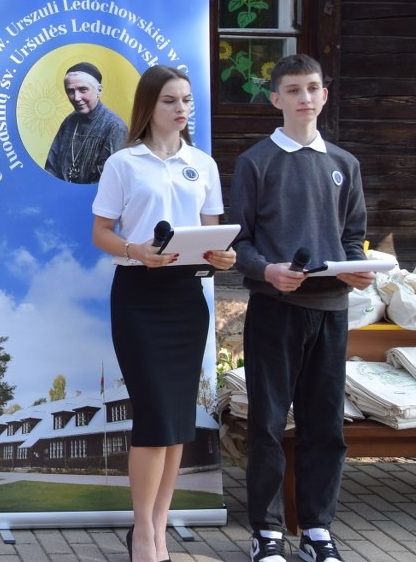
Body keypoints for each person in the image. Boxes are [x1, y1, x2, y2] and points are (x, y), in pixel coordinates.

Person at [90, 65, 235, 562]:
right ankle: (142, 533)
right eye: (171, 100)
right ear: (149, 106)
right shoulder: (123, 163)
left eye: (187, 100)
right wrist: (135, 250)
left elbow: (213, 233)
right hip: (138, 295)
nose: (182, 109)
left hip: (186, 298)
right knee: (154, 417)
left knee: (176, 423)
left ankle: (158, 527)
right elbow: (101, 233)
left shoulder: (203, 164)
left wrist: (224, 256)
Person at [231, 54, 370, 562]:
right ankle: (267, 533)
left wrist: (357, 269)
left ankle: (316, 530)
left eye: (312, 88)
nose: (304, 98)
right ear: (275, 98)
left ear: (324, 95)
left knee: (325, 426)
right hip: (275, 309)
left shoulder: (345, 165)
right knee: (268, 424)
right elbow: (238, 242)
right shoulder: (255, 162)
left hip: (332, 310)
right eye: (292, 90)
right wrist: (266, 270)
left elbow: (353, 238)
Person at [45, 61, 128, 184]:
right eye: (70, 91)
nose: (76, 98)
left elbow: (107, 182)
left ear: (99, 90)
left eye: (83, 89)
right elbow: (51, 170)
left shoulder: (115, 127)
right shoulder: (69, 121)